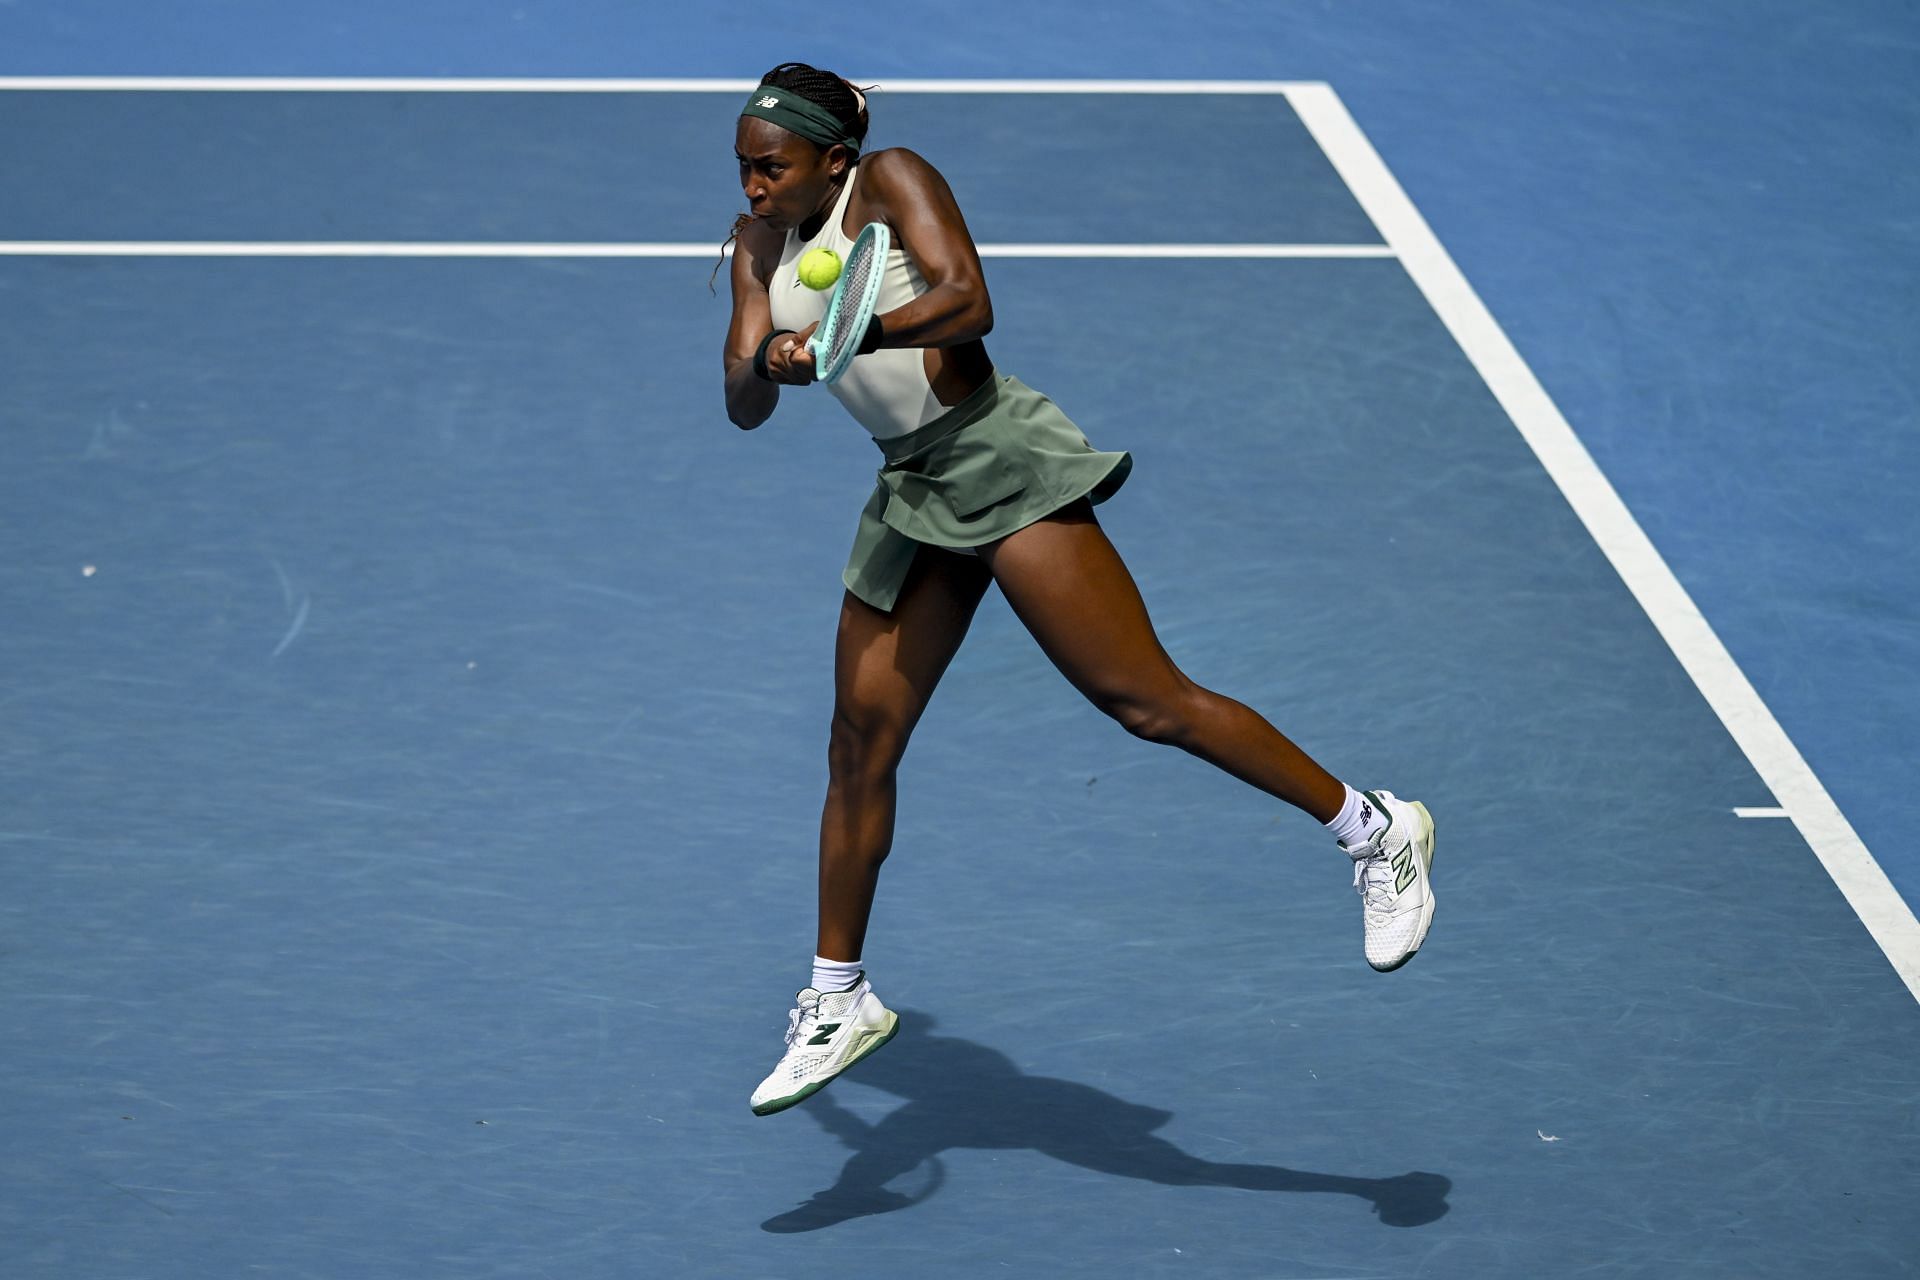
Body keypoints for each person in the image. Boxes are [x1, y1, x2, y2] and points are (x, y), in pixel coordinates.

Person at [723, 63, 1436, 1118]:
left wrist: (852, 331)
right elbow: (741, 400)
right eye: (742, 169)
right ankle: (838, 998)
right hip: (909, 487)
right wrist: (775, 357)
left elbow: (970, 300)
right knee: (858, 740)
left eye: (771, 168)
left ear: (834, 159)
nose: (752, 188)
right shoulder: (752, 247)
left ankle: (1374, 828)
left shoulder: (894, 180)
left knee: (1146, 699)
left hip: (998, 459)